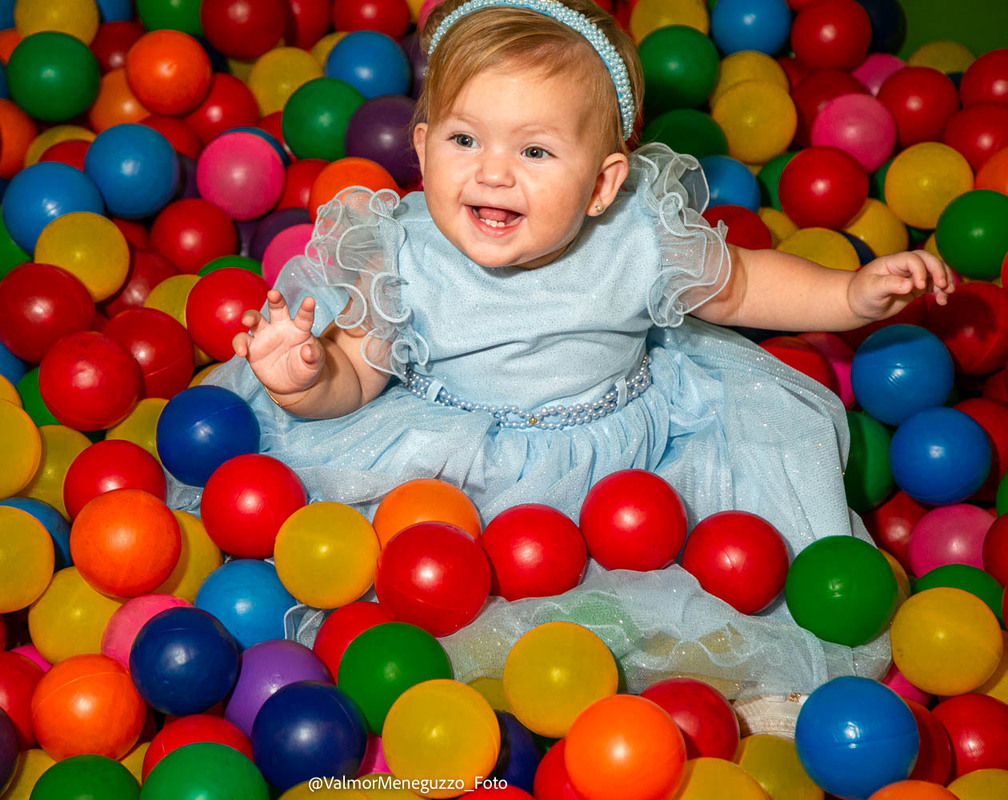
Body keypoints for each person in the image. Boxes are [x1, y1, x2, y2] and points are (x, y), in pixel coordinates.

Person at [170, 0, 953, 704]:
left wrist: (849, 296)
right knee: (423, 586)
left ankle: (741, 688)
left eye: (536, 152)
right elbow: (359, 373)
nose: (493, 171)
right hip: (453, 469)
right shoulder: (401, 252)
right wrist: (307, 380)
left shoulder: (638, 239)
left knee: (696, 577)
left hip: (629, 470)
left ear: (603, 184)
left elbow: (744, 284)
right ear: (422, 146)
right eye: (464, 139)